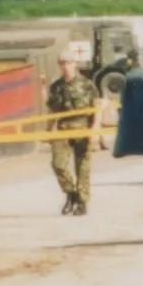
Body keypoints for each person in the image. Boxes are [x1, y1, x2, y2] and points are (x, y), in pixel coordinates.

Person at [48, 52, 101, 217]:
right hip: (63, 127)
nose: (66, 67)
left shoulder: (87, 85)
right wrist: (49, 130)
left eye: (69, 63)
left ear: (75, 64)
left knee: (82, 167)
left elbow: (97, 108)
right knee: (58, 164)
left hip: (83, 126)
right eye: (62, 63)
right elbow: (51, 111)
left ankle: (82, 200)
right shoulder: (56, 86)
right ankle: (70, 194)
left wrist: (95, 130)